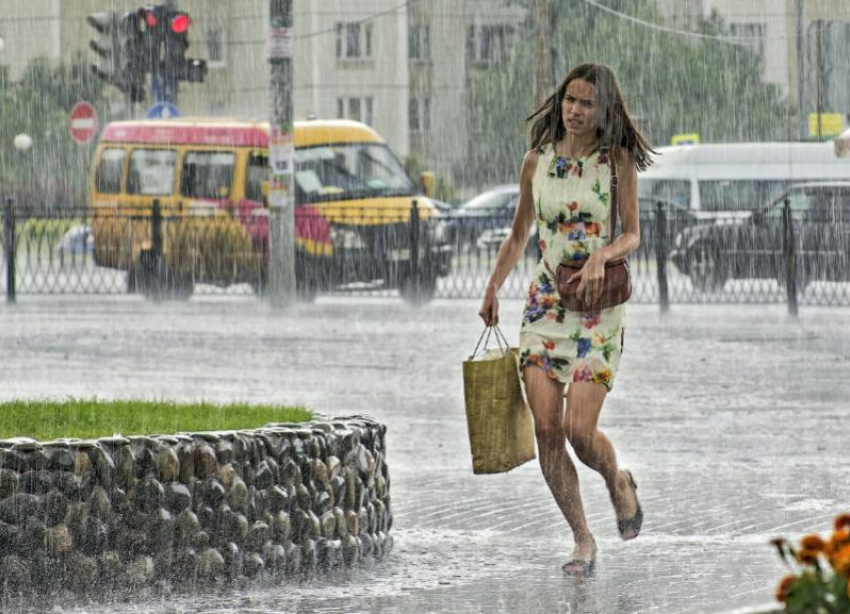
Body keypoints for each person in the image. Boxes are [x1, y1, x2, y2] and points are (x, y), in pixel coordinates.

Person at [478, 63, 654, 575]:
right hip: (546, 307)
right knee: (548, 429)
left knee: (580, 428)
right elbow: (518, 236)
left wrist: (602, 256)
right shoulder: (537, 161)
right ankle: (582, 538)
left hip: (598, 308)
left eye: (587, 104)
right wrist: (493, 285)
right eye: (570, 101)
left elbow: (634, 235)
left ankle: (617, 480)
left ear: (604, 112)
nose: (575, 111)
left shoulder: (616, 160)